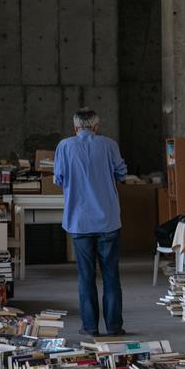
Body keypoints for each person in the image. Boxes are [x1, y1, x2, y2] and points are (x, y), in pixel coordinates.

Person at [54, 107, 127, 337]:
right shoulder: (109, 145)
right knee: (111, 276)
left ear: (75, 127)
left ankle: (90, 327)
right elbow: (122, 173)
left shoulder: (65, 146)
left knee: (85, 277)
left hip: (79, 221)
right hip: (108, 220)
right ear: (96, 126)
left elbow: (59, 178)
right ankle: (114, 326)